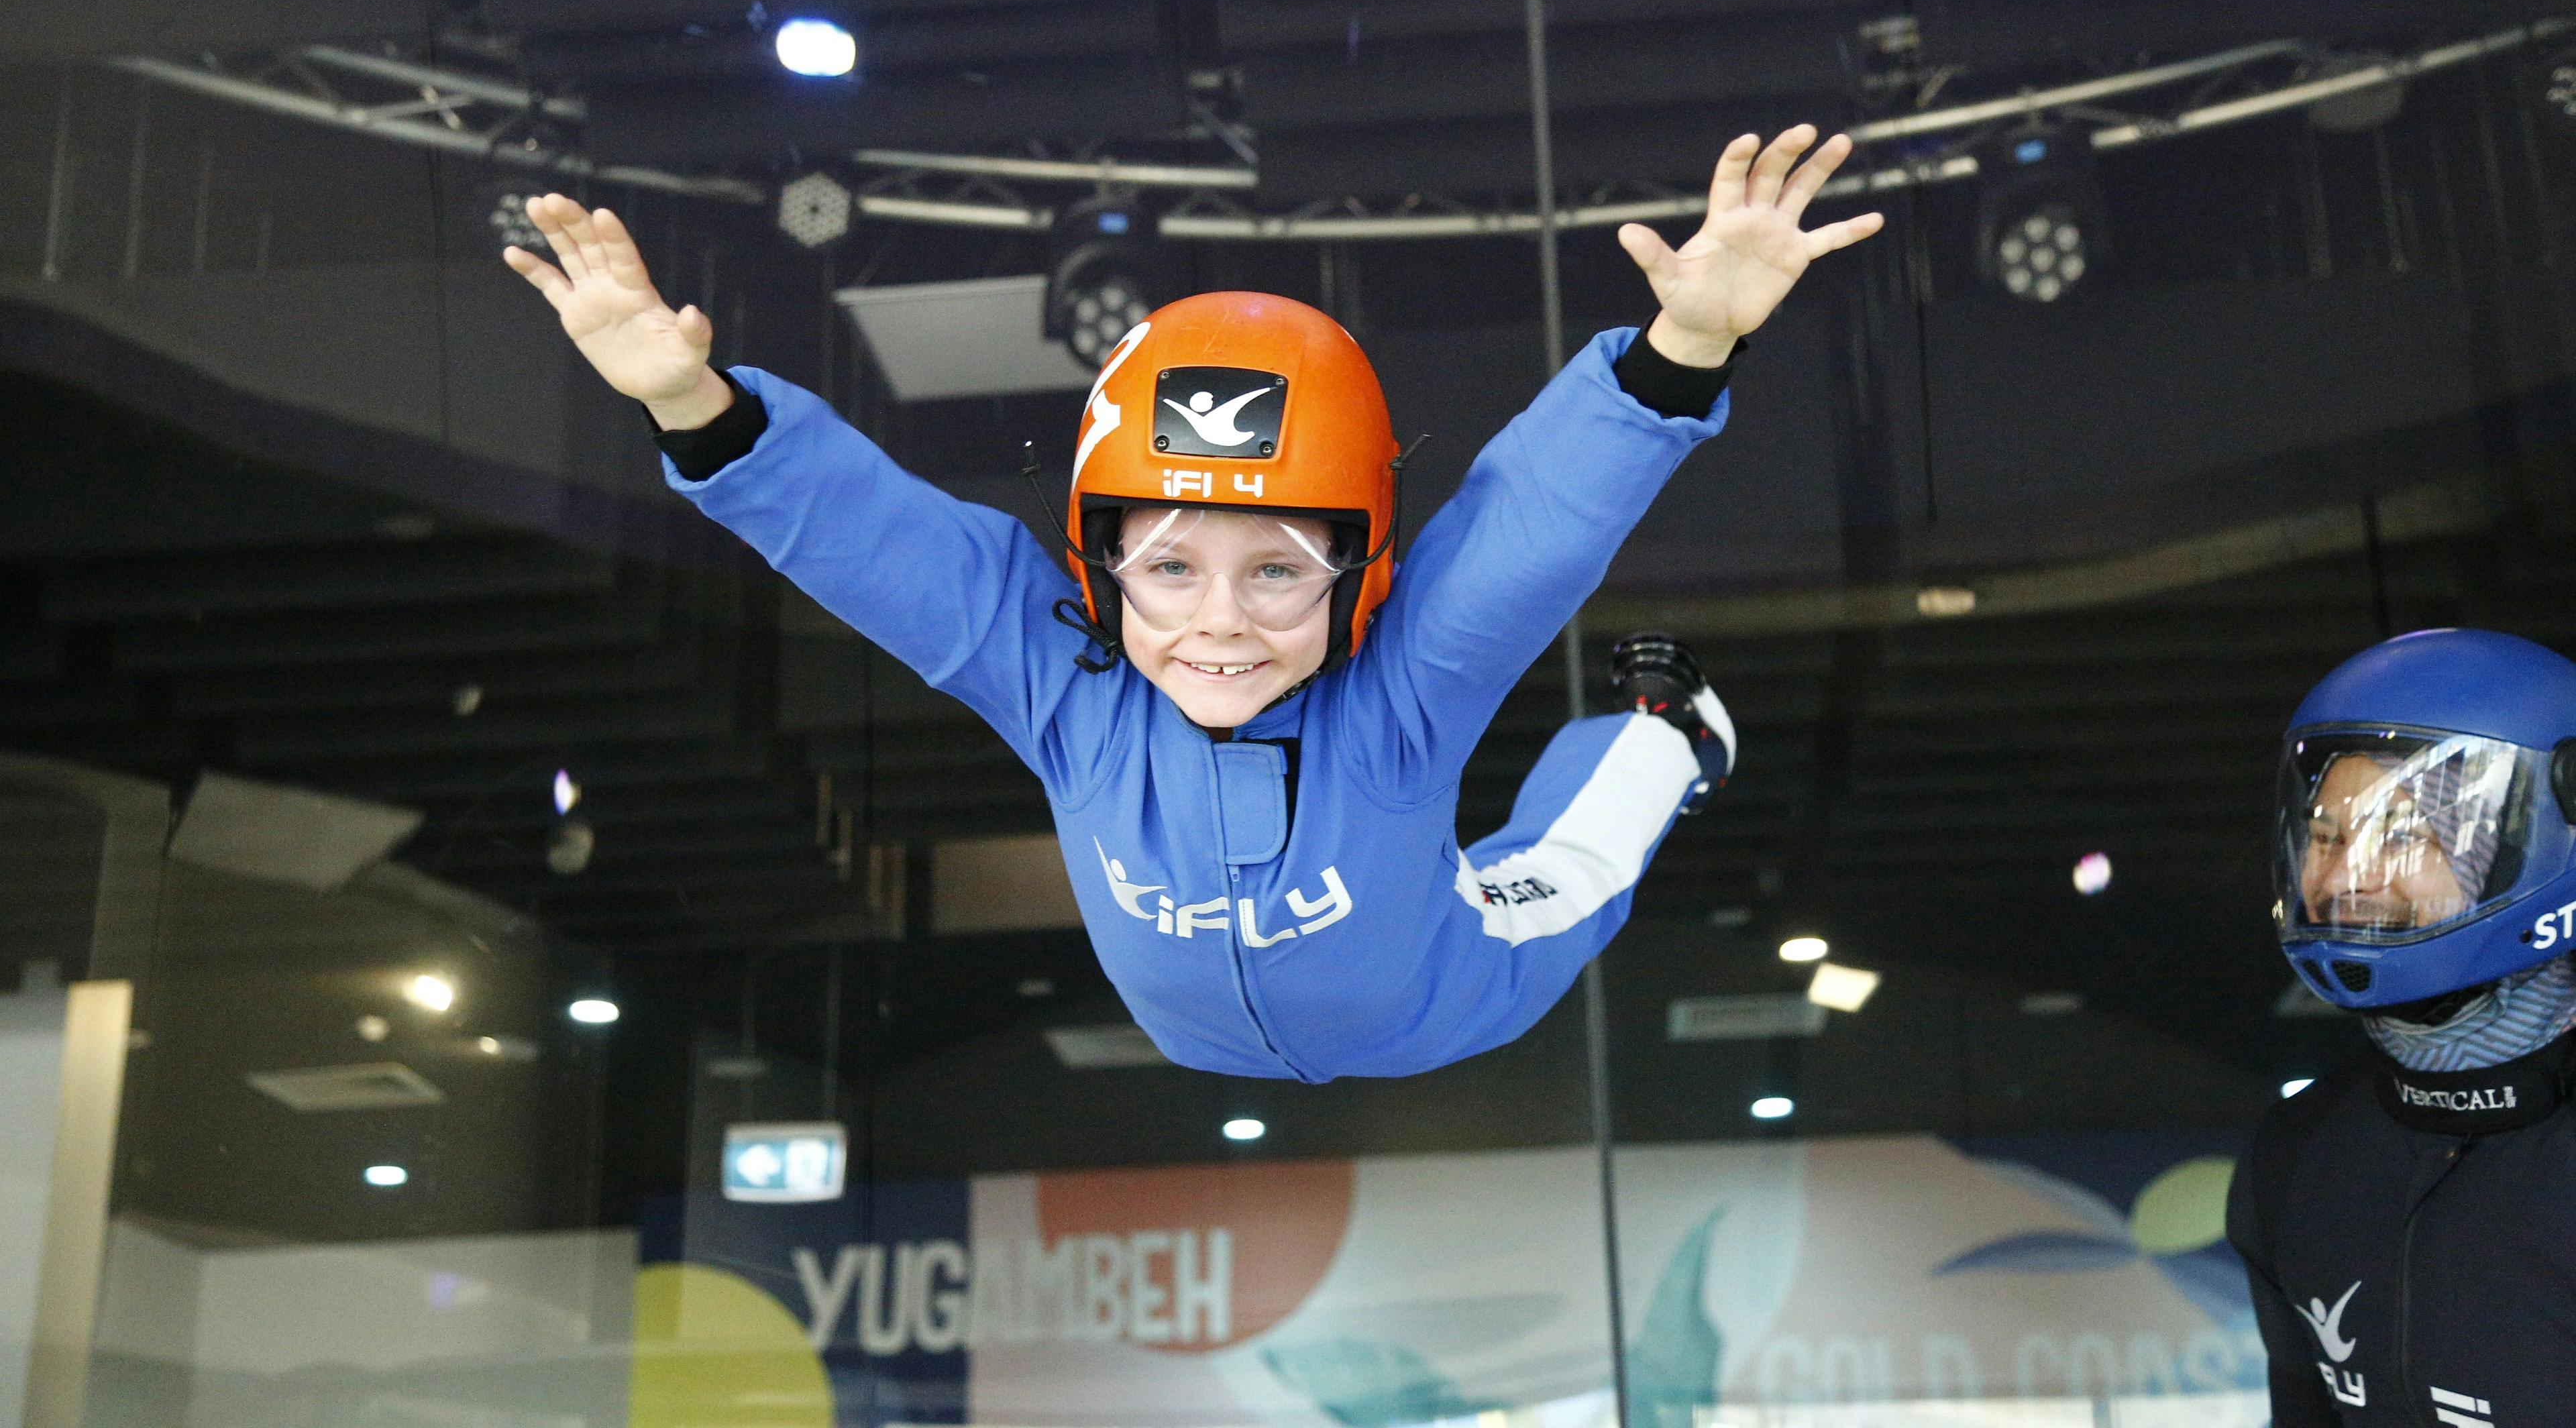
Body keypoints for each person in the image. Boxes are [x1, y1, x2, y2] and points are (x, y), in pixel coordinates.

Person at [505, 127, 1883, 1079]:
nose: (1217, 620)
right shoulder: (1064, 682)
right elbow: (869, 539)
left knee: (1570, 863)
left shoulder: (1401, 681)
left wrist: (1688, 341)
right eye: (1168, 568)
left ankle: (1666, 724)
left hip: (1437, 998)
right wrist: (686, 399)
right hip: (1196, 1035)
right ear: (1096, 570)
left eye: (1278, 568)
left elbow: (1534, 524)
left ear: (1363, 574)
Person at [2229, 628, 2576, 1422]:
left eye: (2403, 832)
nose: (2344, 876)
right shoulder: (2295, 1158)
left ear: (2545, 839)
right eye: (2324, 835)